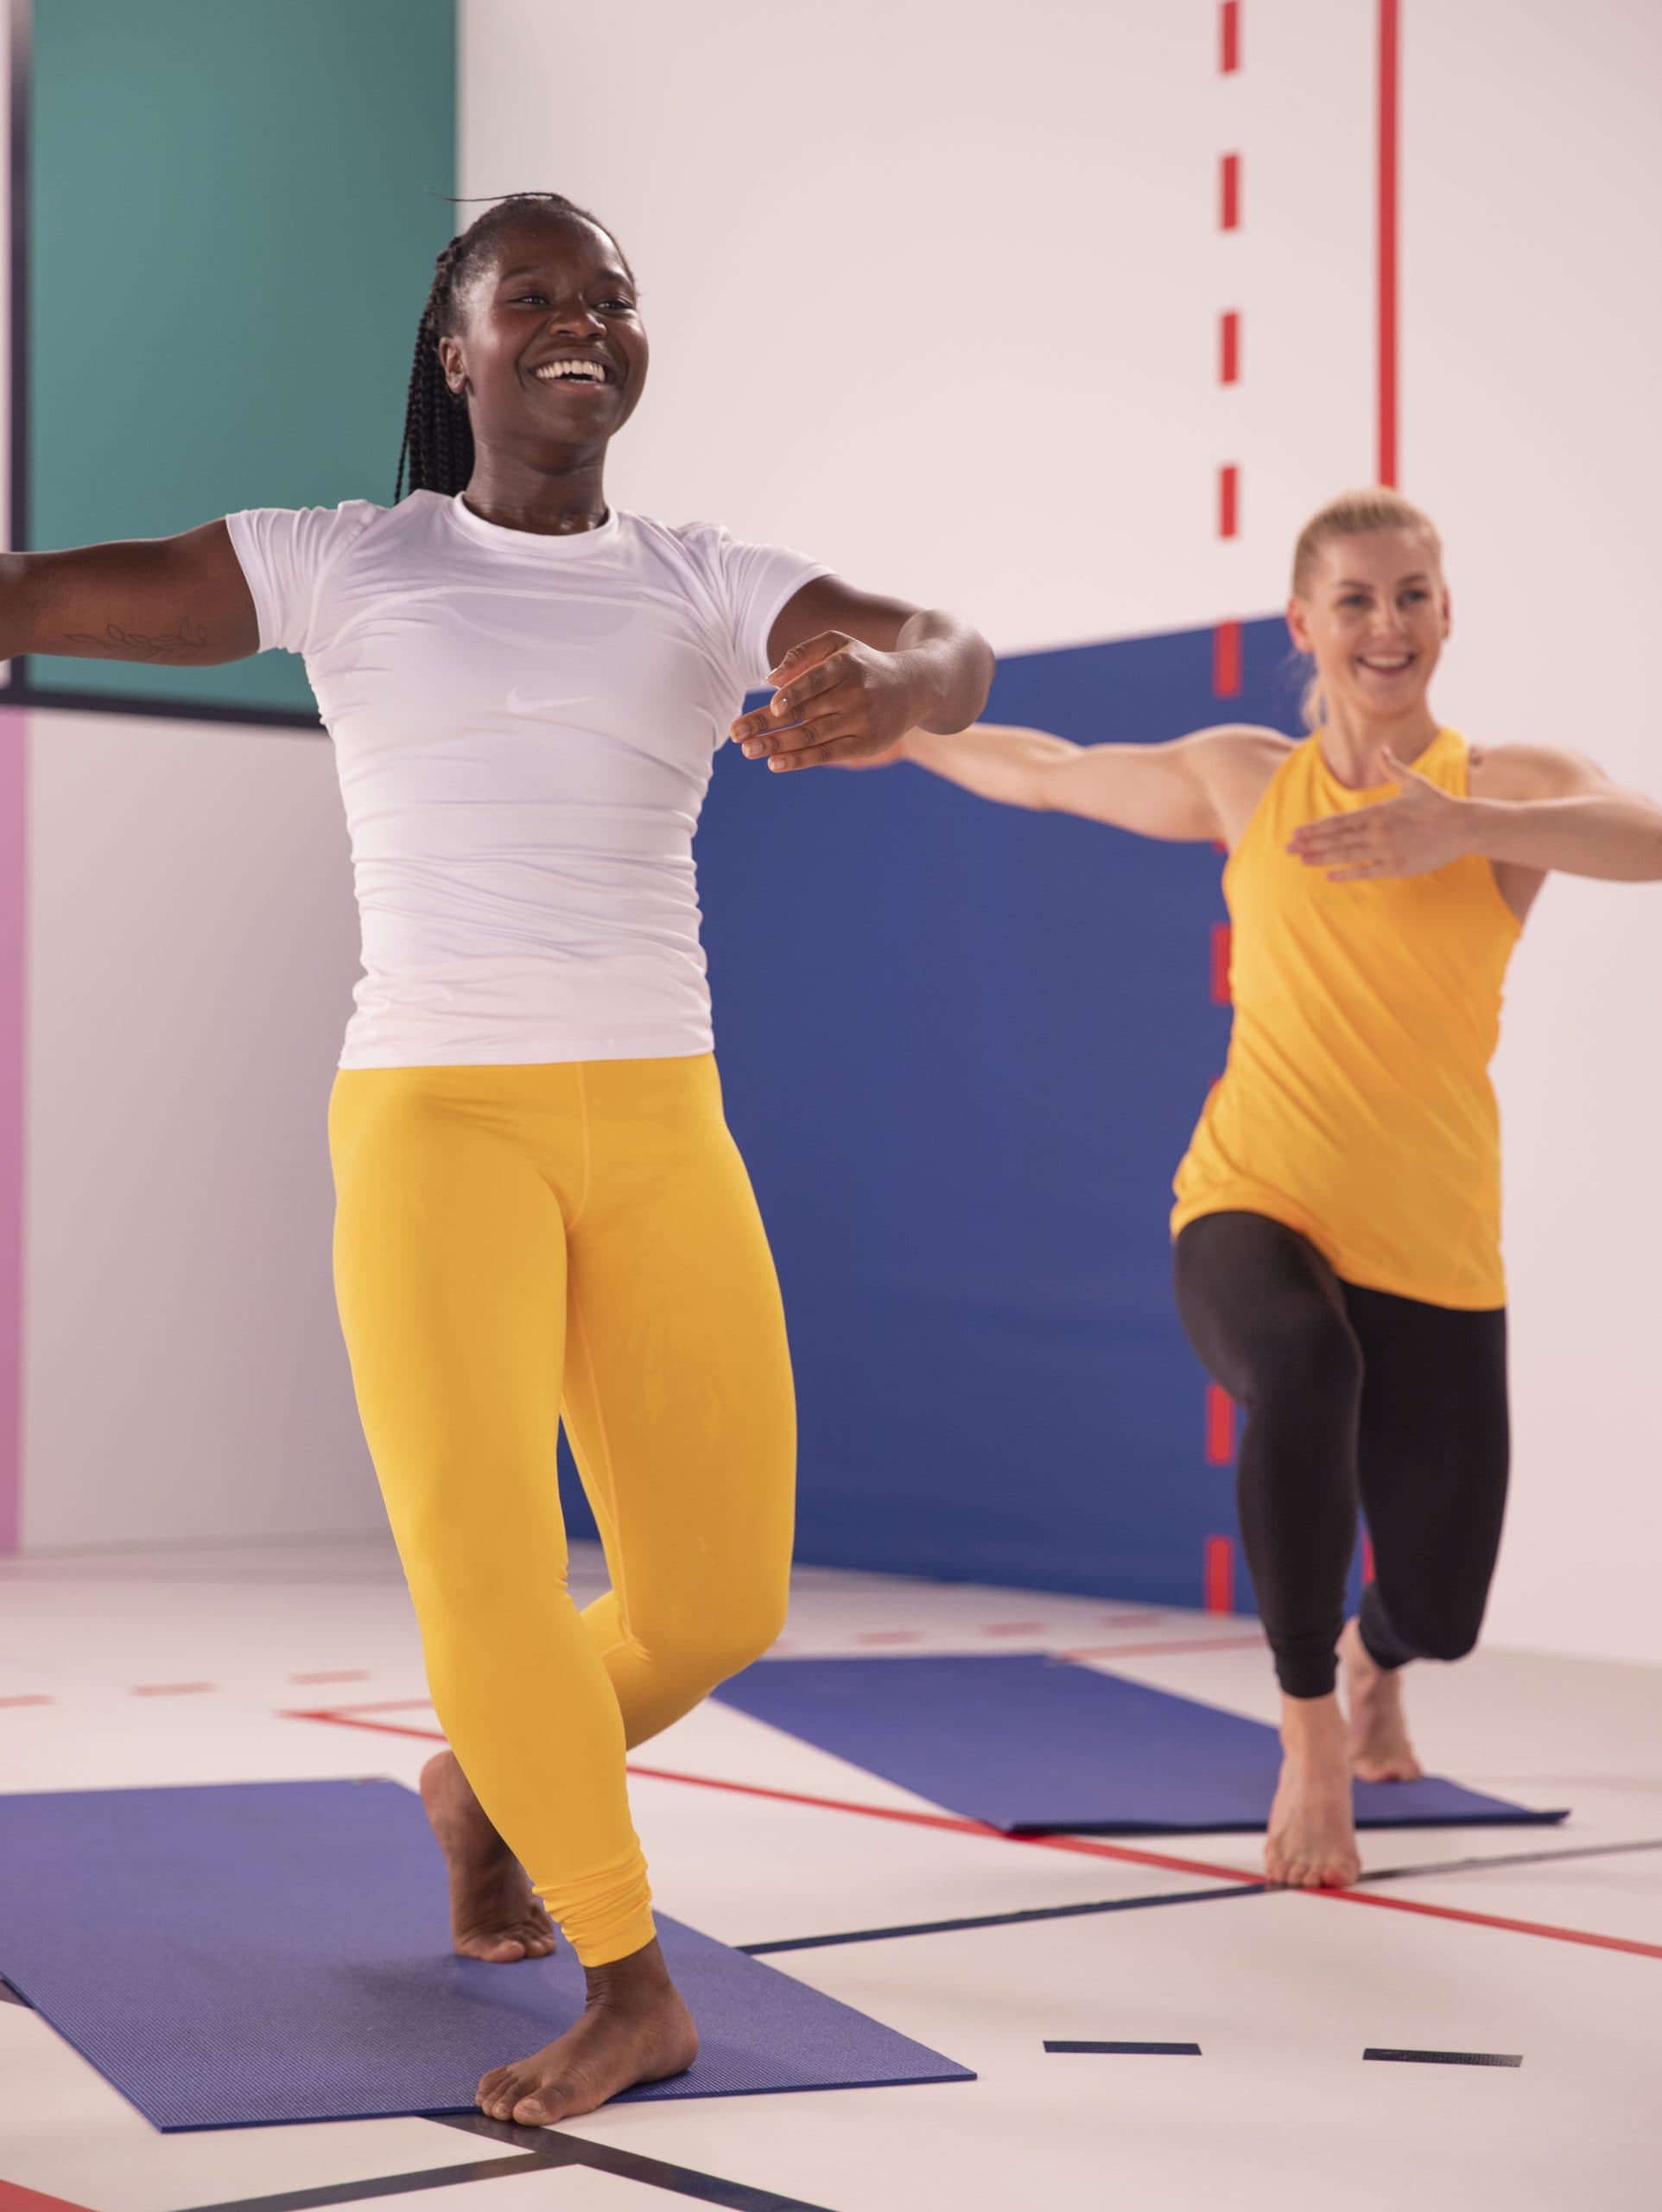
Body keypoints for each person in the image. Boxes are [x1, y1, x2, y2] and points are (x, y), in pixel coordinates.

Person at [1, 192, 992, 2121]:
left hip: (658, 1120)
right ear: (452, 352)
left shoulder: (709, 578)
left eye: (608, 297)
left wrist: (899, 691)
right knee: (487, 1574)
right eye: (528, 294)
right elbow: (38, 595)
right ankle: (629, 1976)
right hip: (438, 1112)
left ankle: (486, 1781)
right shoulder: (346, 561)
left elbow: (950, 644)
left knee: (716, 1600)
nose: (577, 319)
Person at [872, 487, 1662, 1890]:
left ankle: (1373, 1660)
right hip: (1253, 1199)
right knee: (1301, 1369)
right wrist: (893, 722)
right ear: (1305, 623)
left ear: (1445, 613)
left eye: (1411, 594)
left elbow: (1650, 834)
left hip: (1433, 1244)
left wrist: (1461, 830)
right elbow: (1049, 766)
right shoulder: (1248, 777)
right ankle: (1307, 1732)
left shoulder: (1510, 786)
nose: (1386, 624)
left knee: (1443, 1602)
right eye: (1354, 599)